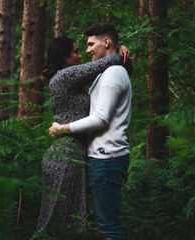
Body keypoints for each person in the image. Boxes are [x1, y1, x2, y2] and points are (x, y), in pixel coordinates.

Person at [32, 36, 130, 239]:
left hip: (72, 155)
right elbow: (107, 61)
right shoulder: (64, 76)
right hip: (65, 156)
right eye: (76, 52)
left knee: (70, 223)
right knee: (53, 224)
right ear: (64, 56)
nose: (80, 56)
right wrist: (119, 49)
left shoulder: (67, 78)